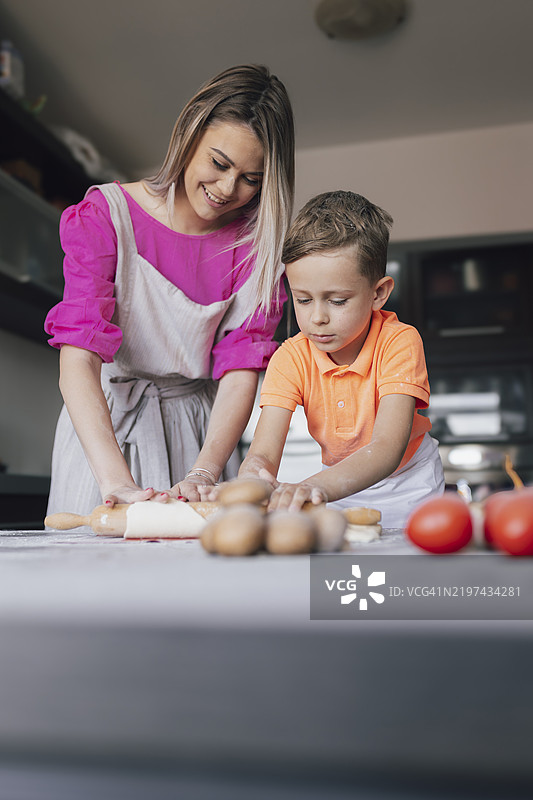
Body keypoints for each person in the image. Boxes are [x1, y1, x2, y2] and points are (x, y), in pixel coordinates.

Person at [44, 64, 295, 517]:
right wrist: (116, 481)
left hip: (200, 437)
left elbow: (241, 370)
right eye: (219, 163)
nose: (227, 189)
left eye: (250, 179)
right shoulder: (107, 215)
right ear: (189, 133)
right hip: (105, 432)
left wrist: (204, 473)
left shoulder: (256, 251)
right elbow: (78, 357)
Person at [229, 190, 444, 528]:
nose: (317, 318)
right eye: (303, 300)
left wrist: (312, 486)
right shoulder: (290, 357)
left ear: (379, 293)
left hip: (407, 483)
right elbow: (263, 454)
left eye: (337, 301)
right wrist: (254, 483)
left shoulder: (400, 341)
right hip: (339, 486)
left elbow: (386, 448)